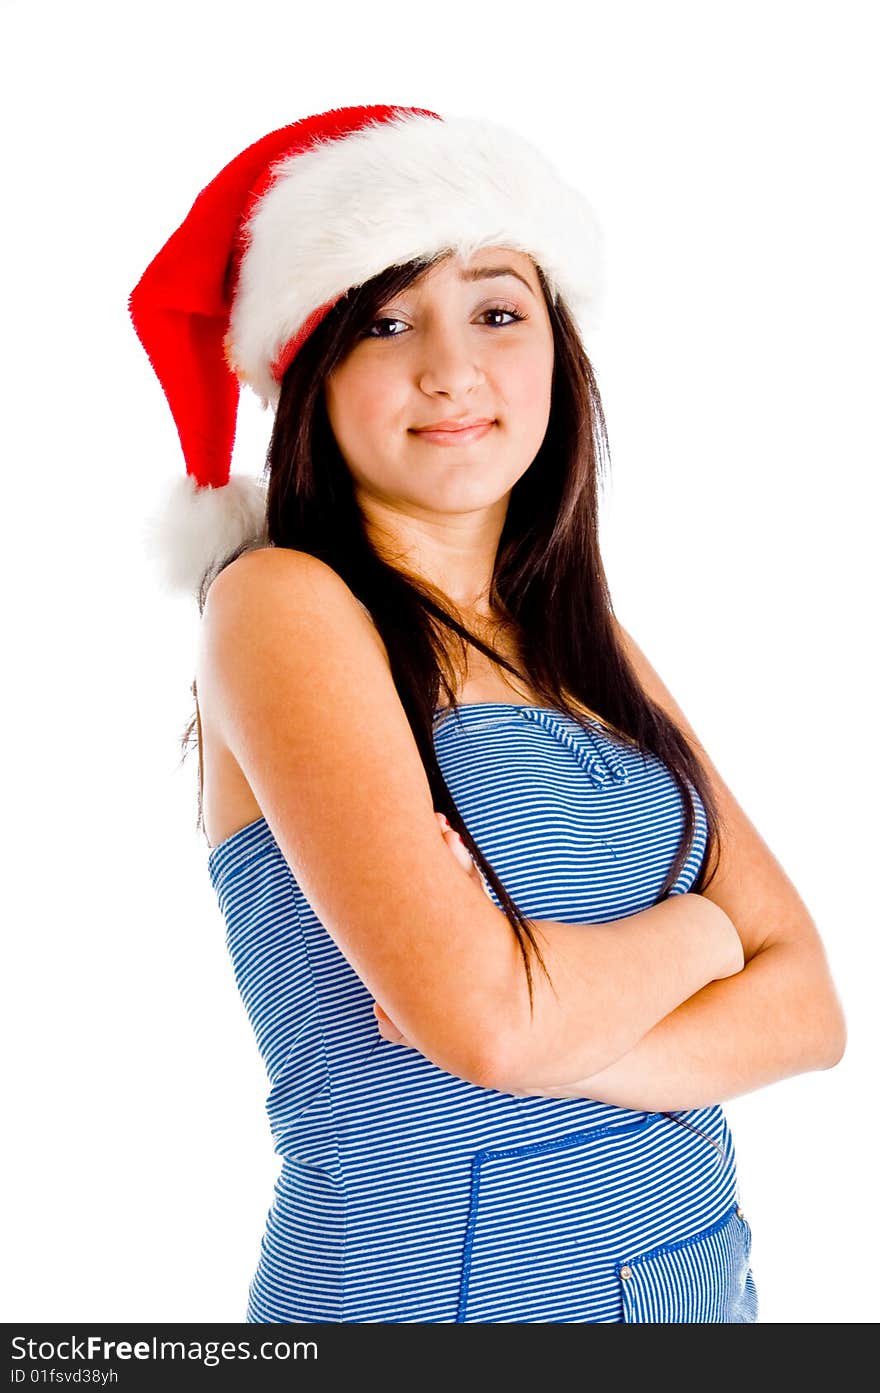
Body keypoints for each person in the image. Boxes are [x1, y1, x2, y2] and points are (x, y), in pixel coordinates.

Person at [129, 103, 846, 1324]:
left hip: (690, 1292)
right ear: (312, 371)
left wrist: (569, 1027)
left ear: (558, 352)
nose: (451, 369)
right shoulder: (282, 606)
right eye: (387, 320)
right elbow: (491, 1032)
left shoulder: (576, 633)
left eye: (498, 312)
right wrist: (700, 939)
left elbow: (811, 1009)